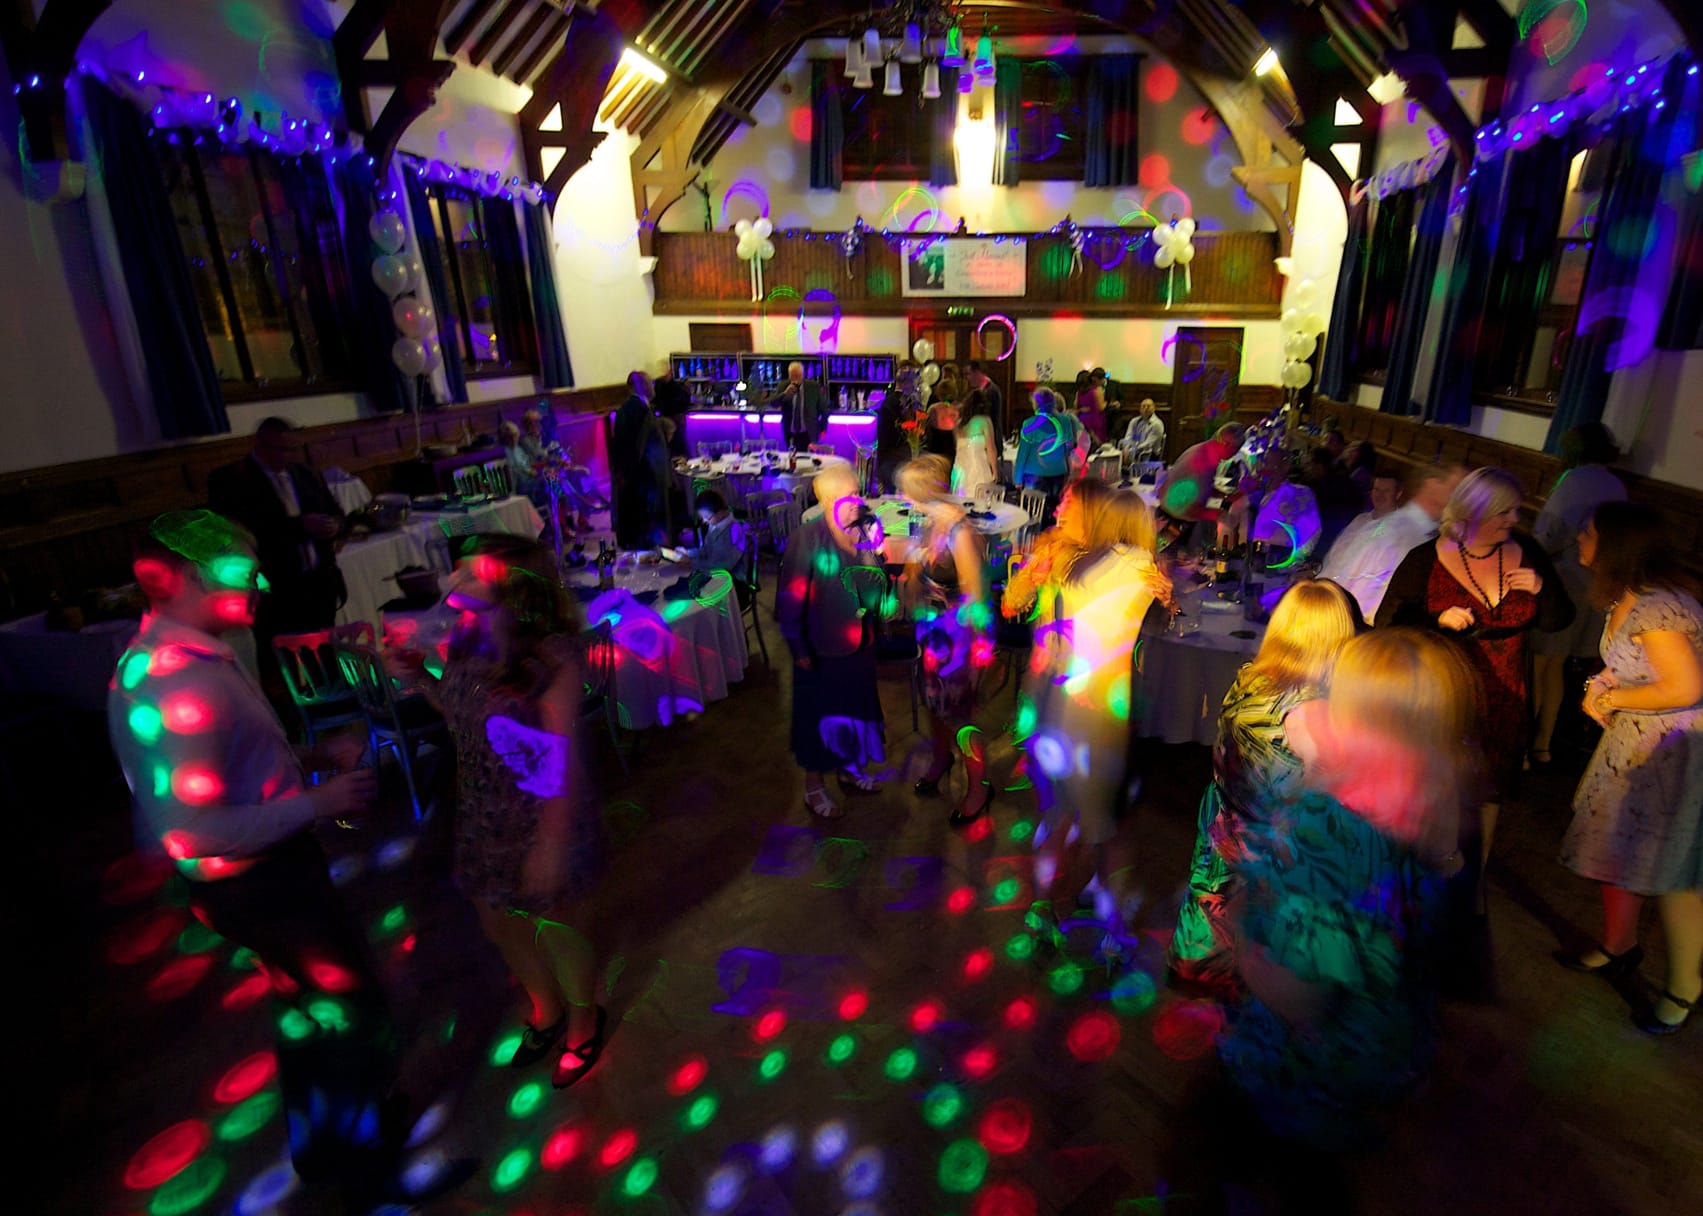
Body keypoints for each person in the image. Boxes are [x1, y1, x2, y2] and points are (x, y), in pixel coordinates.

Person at [108, 511, 458, 1207]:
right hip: (260, 884)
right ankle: (369, 1179)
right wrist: (317, 803)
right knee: (354, 1015)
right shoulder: (176, 683)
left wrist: (311, 756)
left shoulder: (200, 652)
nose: (263, 583)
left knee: (306, 1011)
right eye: (243, 571)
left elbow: (235, 760)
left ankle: (322, 1149)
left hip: (261, 878)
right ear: (176, 580)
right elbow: (191, 832)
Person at [1217, 629, 1478, 1162]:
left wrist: (1241, 936)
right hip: (1388, 1035)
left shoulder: (1328, 829)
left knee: (1291, 1165)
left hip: (1313, 1065)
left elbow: (1301, 997)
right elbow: (1439, 881)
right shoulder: (1438, 786)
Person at [401, 536, 609, 1083]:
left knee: (557, 926)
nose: (454, 579)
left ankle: (584, 1021)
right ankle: (547, 1008)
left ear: (512, 587)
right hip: (482, 808)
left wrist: (550, 842)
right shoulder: (467, 637)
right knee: (498, 921)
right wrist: (416, 678)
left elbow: (560, 755)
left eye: (471, 573)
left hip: (540, 811)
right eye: (458, 569)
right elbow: (459, 712)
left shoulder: (552, 653)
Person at [1378, 467, 1574, 914]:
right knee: (1436, 787)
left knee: (1488, 790)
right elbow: (1387, 626)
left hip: (1506, 696)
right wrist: (1435, 621)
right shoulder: (1426, 558)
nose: (1513, 520)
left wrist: (1541, 589)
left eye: (1515, 511)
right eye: (1504, 512)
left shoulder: (1527, 552)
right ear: (1472, 512)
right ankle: (1419, 877)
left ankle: (1473, 883)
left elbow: (1559, 619)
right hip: (1445, 695)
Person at [1167, 580, 1361, 996]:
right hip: (1270, 849)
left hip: (1226, 823)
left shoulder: (1250, 678)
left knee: (1221, 944)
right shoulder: (1312, 712)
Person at [1556, 502, 1703, 1034]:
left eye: (1588, 531)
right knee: (1616, 847)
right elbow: (1631, 666)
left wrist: (1613, 699)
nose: (1579, 537)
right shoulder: (1628, 596)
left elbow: (1685, 688)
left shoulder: (1661, 608)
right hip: (1636, 742)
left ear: (1616, 545)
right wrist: (1601, 684)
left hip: (1671, 752)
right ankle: (1619, 946)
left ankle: (1685, 988)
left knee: (1672, 871)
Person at [1027, 489, 1170, 954]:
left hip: (1060, 705)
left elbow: (1049, 643)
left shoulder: (1071, 567)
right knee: (1107, 825)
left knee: (1059, 815)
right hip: (1103, 713)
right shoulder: (1142, 565)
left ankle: (1042, 907)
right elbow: (1159, 616)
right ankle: (1108, 926)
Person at [777, 465, 891, 819]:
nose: (858, 499)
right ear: (827, 500)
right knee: (820, 718)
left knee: (855, 711)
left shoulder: (865, 529)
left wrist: (875, 553)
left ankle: (849, 770)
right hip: (821, 646)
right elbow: (790, 599)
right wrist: (798, 649)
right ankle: (813, 788)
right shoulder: (807, 538)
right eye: (849, 494)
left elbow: (875, 580)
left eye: (858, 491)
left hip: (861, 641)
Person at [206, 418, 347, 678]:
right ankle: (291, 702)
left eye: (293, 449)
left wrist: (334, 526)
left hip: (318, 583)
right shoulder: (232, 480)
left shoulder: (306, 474)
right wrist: (300, 526)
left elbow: (335, 513)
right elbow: (242, 532)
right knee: (281, 665)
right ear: (260, 445)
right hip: (276, 588)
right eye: (281, 449)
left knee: (326, 657)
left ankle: (332, 696)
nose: (288, 456)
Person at [899, 455, 994, 825]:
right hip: (933, 636)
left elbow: (976, 598)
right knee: (934, 705)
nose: (902, 497)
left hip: (957, 642)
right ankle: (942, 758)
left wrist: (975, 652)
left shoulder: (960, 532)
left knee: (961, 716)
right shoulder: (931, 522)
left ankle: (978, 788)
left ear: (923, 493)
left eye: (906, 491)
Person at [1530, 423, 1627, 766]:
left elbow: (1549, 534)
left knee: (1539, 663)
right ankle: (1542, 744)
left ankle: (1523, 746)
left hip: (1565, 581)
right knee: (1555, 667)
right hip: (1596, 584)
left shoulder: (1573, 480)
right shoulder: (1615, 484)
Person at [1319, 462, 1463, 622]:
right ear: (1432, 484)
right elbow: (1355, 587)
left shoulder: (1426, 536)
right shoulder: (1395, 530)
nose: (1462, 499)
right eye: (1455, 488)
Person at [1001, 477, 1117, 622]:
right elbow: (1008, 607)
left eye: (1068, 502)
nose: (1058, 509)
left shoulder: (1111, 561)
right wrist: (1032, 579)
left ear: (1090, 514)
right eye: (1062, 501)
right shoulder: (1051, 546)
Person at [611, 371, 664, 548]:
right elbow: (637, 449)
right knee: (642, 522)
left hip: (633, 476)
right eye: (650, 382)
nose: (653, 386)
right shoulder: (639, 411)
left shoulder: (626, 409)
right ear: (640, 386)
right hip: (644, 476)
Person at [1158, 422, 1245, 525]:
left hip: (1171, 511)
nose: (1235, 454)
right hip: (1175, 520)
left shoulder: (1203, 449)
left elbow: (1203, 489)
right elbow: (1188, 509)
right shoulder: (1203, 464)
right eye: (1236, 450)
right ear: (1228, 445)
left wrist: (1227, 496)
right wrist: (1219, 515)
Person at [675, 489, 749, 602]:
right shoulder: (714, 525)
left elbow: (722, 566)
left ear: (720, 512)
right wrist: (688, 553)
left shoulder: (734, 531)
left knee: (692, 596)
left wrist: (692, 564)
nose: (705, 521)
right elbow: (705, 550)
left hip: (733, 584)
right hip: (715, 576)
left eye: (707, 517)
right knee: (683, 588)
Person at [1013, 388, 1083, 500]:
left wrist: (1017, 479)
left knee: (1033, 508)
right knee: (1055, 507)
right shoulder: (1065, 421)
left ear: (1036, 404)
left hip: (1034, 475)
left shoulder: (1029, 424)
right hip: (1059, 472)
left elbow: (1022, 455)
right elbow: (1069, 448)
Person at [951, 389, 1000, 499]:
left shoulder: (959, 424)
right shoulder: (984, 421)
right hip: (978, 467)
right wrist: (995, 470)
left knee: (961, 499)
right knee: (980, 501)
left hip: (959, 469)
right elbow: (991, 449)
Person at [775, 360, 829, 452]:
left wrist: (823, 428)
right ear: (789, 375)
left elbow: (823, 410)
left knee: (810, 458)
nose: (795, 379)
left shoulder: (813, 387)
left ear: (802, 374)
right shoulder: (783, 386)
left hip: (809, 433)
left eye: (797, 376)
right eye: (793, 376)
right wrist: (784, 393)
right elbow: (774, 403)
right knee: (792, 457)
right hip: (790, 433)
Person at [1120, 397, 1166, 463]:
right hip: (1133, 452)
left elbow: (1148, 444)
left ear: (1154, 408)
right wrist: (1126, 447)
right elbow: (1128, 437)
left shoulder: (1157, 424)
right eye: (1143, 406)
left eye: (1148, 406)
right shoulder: (1134, 421)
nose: (1146, 408)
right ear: (1140, 409)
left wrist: (1132, 450)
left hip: (1150, 455)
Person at [965, 361, 1004, 434]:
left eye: (969, 374)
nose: (968, 378)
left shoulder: (991, 391)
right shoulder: (984, 390)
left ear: (977, 373)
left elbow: (991, 419)